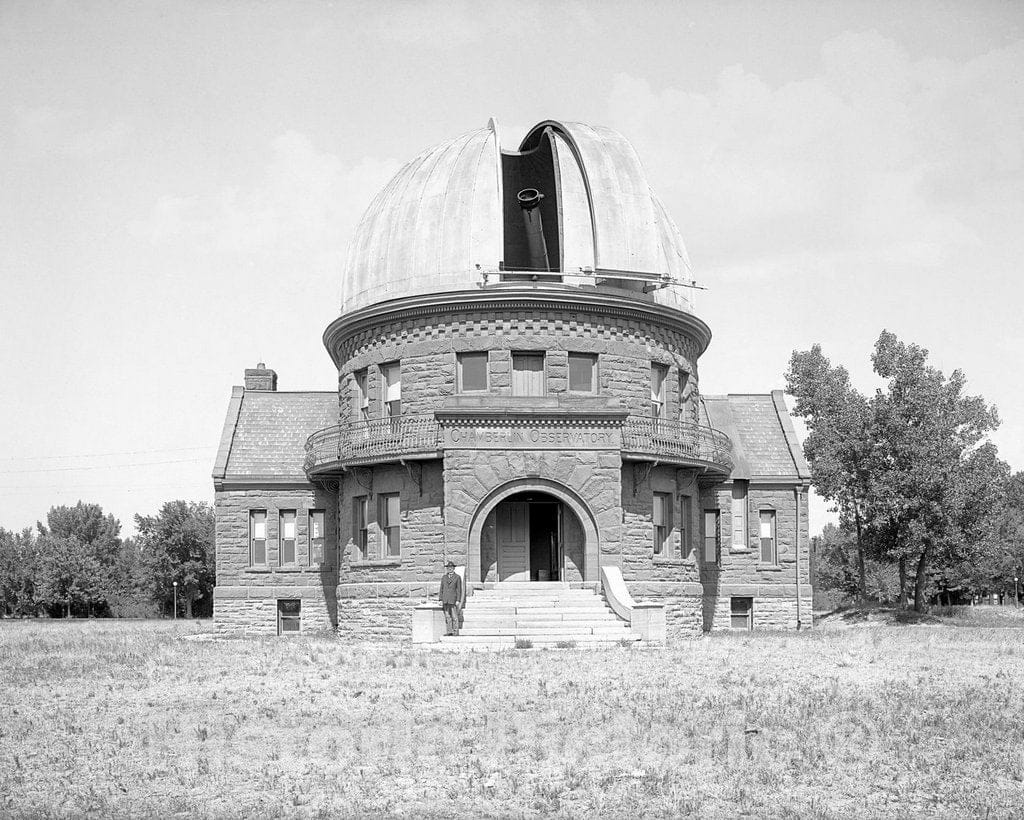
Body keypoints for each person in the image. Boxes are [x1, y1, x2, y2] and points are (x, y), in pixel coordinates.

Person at [438, 560, 462, 636]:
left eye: (451, 567)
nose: (449, 569)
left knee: (454, 616)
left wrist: (458, 600)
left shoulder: (457, 577)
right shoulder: (444, 577)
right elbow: (441, 588)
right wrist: (440, 599)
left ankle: (455, 631)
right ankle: (449, 631)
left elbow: (459, 590)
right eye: (448, 567)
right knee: (447, 616)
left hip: (453, 599)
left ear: (453, 568)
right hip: (445, 599)